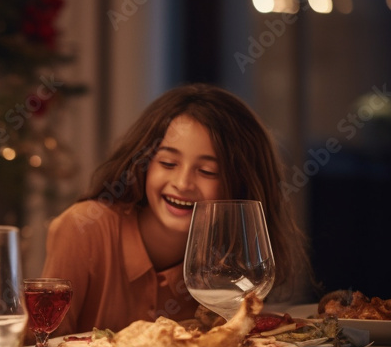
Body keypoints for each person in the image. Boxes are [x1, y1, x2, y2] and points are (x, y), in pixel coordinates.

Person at [41, 83, 314, 334]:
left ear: (240, 186)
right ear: (143, 164)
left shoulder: (234, 260)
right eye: (168, 164)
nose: (182, 183)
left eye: (207, 171)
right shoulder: (83, 228)